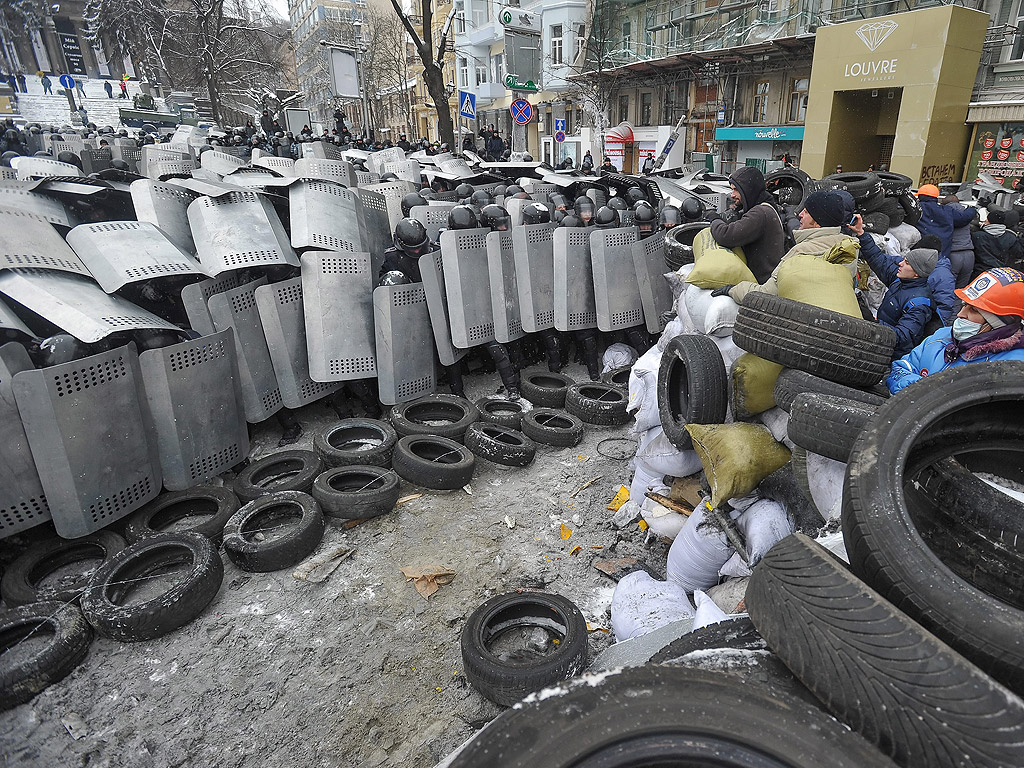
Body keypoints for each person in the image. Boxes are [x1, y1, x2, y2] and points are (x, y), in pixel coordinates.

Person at [887, 267, 1024, 394]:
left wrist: (929, 398)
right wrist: (921, 392)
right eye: (964, 305)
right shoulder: (941, 336)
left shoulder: (1012, 369)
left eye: (974, 310)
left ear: (998, 325)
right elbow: (902, 368)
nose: (960, 314)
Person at [716, 189, 858, 303]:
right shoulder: (848, 247)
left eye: (807, 212)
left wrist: (733, 289)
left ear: (817, 223)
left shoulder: (800, 253)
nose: (800, 215)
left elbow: (766, 295)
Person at [851, 214, 936, 358]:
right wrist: (861, 233)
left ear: (917, 273)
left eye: (907, 263)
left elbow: (902, 337)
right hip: (880, 343)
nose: (901, 263)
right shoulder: (900, 280)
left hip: (892, 358)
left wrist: (873, 323)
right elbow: (878, 260)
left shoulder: (919, 304)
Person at [705, 165, 786, 284]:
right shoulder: (766, 207)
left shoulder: (760, 213)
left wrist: (714, 219)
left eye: (736, 190)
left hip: (761, 285)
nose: (732, 195)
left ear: (748, 190)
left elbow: (726, 236)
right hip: (764, 281)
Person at [972, 207, 1022, 278]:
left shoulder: (978, 236)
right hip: (1001, 273)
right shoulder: (1011, 237)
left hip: (980, 272)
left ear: (988, 221)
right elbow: (1018, 253)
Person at [942, 195, 976, 288]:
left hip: (954, 254)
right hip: (969, 254)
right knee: (962, 288)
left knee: (948, 287)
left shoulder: (945, 213)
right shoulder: (967, 213)